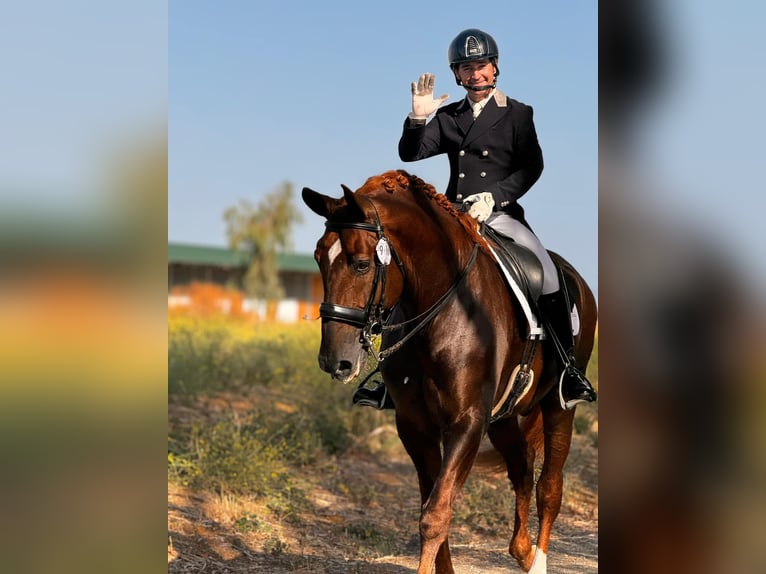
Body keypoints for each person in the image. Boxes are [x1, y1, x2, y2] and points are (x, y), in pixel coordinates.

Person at [353, 28, 597, 411]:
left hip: (499, 214)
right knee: (407, 275)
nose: (475, 74)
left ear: (494, 67)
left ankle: (568, 371)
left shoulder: (518, 113)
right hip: (454, 217)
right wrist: (418, 119)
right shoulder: (450, 117)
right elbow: (412, 153)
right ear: (458, 75)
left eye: (481, 65)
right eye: (466, 68)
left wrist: (496, 196)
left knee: (547, 276)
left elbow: (533, 166)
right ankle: (390, 378)